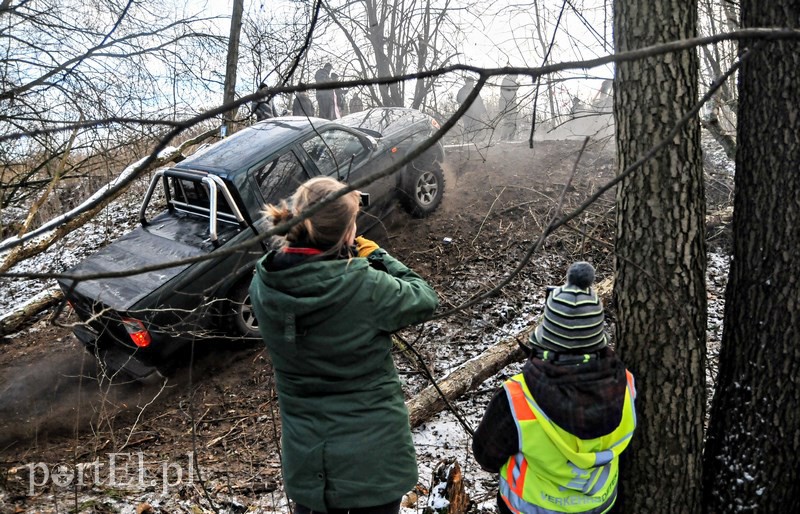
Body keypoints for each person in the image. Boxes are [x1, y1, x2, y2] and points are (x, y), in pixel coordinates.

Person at [249, 176, 439, 514]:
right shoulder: (364, 284)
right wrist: (375, 255)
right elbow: (424, 298)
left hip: (309, 462)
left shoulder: (263, 286)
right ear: (347, 232)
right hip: (375, 462)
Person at [472, 262, 637, 514]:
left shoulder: (517, 398)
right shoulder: (626, 383)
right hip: (600, 507)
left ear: (544, 339)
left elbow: (486, 457)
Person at [455, 76, 488, 142]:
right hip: (466, 112)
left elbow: (479, 101)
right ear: (466, 82)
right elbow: (458, 99)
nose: (471, 84)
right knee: (467, 126)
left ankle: (477, 141)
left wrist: (483, 110)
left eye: (472, 82)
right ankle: (467, 140)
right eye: (470, 82)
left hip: (476, 112)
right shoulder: (462, 91)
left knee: (477, 126)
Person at [498, 74, 519, 141]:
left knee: (513, 122)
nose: (516, 78)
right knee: (507, 121)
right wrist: (516, 86)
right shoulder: (507, 80)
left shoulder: (510, 81)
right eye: (516, 77)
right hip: (506, 105)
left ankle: (510, 138)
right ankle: (503, 138)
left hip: (511, 104)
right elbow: (508, 91)